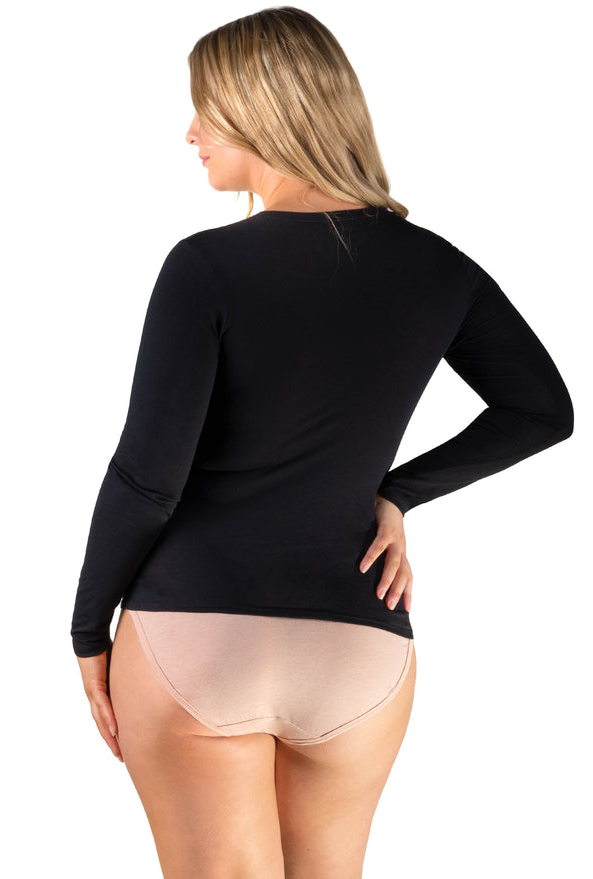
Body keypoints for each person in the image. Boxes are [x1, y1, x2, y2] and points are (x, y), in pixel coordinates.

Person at [70, 6, 574, 878]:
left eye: (206, 108)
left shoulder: (205, 266)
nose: (190, 133)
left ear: (261, 108)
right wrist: (396, 493)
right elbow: (542, 410)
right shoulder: (440, 268)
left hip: (197, 636)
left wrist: (87, 630)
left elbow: (149, 478)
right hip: (360, 647)